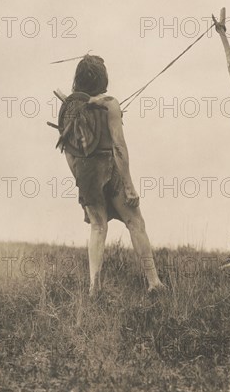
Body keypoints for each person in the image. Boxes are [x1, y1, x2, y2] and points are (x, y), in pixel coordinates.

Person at [58, 54, 164, 295]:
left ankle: (94, 288)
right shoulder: (110, 103)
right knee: (135, 222)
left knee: (97, 227)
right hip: (109, 167)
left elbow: (68, 150)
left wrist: (80, 179)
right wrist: (129, 186)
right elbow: (119, 148)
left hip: (86, 174)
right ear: (102, 78)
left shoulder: (70, 107)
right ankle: (153, 282)